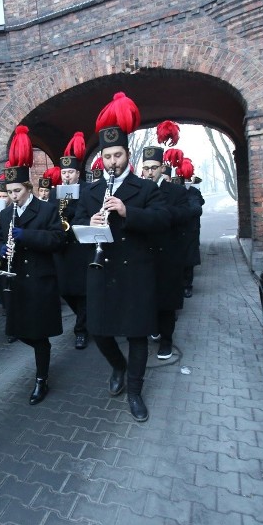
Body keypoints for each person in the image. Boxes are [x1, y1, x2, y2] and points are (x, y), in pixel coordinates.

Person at [73, 92, 170, 422]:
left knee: (137, 334)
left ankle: (134, 391)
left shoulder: (145, 189)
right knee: (99, 331)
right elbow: (75, 225)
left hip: (135, 271)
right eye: (107, 156)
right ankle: (118, 365)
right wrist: (91, 223)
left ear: (127, 156)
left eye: (117, 155)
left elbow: (162, 221)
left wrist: (129, 211)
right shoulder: (90, 190)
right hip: (101, 270)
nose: (112, 161)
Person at [0, 125, 66, 405]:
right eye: (9, 192)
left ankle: (41, 378)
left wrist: (27, 236)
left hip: (40, 281)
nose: (13, 196)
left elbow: (58, 240)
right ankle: (41, 363)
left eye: (16, 191)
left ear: (28, 187)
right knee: (17, 331)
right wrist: (2, 248)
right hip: (17, 282)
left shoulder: (46, 209)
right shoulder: (7, 211)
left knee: (39, 333)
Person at [141, 143, 196, 360]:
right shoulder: (139, 189)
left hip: (168, 253)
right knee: (147, 297)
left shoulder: (176, 191)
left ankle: (166, 340)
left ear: (162, 168)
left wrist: (161, 212)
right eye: (146, 168)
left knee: (167, 300)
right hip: (144, 253)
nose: (149, 172)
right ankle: (153, 328)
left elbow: (185, 214)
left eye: (154, 167)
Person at [55, 132, 92, 349]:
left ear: (78, 174)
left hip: (80, 248)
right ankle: (86, 317)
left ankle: (81, 329)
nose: (66, 176)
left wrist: (71, 210)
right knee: (67, 291)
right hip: (62, 250)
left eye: (70, 172)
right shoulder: (56, 193)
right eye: (64, 172)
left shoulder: (88, 190)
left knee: (83, 291)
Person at [172, 158, 204, 298]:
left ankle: (187, 286)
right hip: (176, 231)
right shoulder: (174, 191)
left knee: (188, 261)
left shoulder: (193, 193)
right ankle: (179, 284)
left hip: (190, 231)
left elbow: (197, 208)